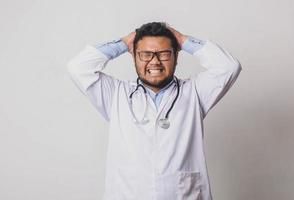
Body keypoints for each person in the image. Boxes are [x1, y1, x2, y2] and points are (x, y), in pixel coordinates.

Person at [67, 22, 242, 200]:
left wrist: (182, 40)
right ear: (134, 56)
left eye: (164, 53)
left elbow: (228, 67)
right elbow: (78, 67)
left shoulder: (195, 92)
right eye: (145, 54)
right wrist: (124, 42)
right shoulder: (116, 94)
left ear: (176, 56)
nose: (155, 61)